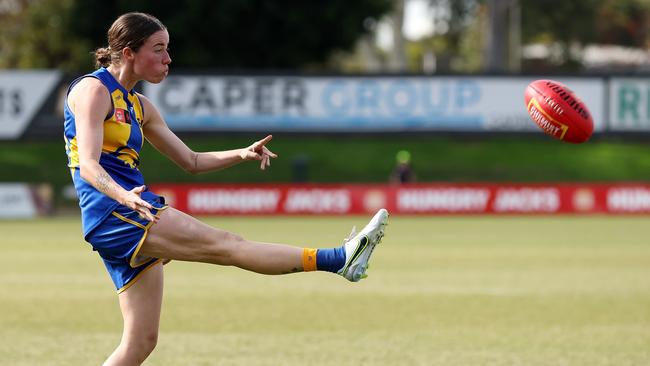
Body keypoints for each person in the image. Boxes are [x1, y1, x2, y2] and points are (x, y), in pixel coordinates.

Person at [63, 12, 389, 366]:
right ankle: (339, 260)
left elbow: (192, 160)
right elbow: (90, 166)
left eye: (167, 49)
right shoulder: (93, 91)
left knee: (141, 341)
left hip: (128, 211)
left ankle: (341, 261)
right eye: (158, 49)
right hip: (117, 212)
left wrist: (241, 153)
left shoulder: (140, 106)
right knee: (229, 245)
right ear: (128, 52)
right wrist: (124, 196)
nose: (168, 58)